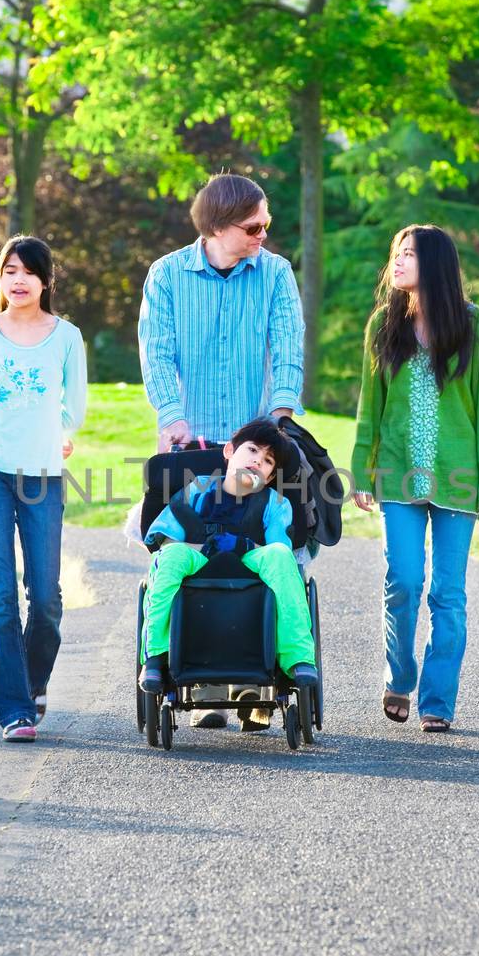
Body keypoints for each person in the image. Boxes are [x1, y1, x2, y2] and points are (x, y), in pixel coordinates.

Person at [139, 172, 306, 728]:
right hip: (194, 436)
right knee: (195, 547)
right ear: (216, 226)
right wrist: (172, 417)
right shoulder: (166, 276)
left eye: (267, 224)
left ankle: (257, 681)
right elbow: (157, 351)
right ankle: (203, 672)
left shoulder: (276, 273)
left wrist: (281, 413)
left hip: (259, 437)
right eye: (253, 226)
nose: (264, 234)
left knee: (276, 543)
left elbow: (286, 344)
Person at [348, 225, 479, 734]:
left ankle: (437, 699)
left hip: (459, 476)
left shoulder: (472, 323)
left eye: (409, 255)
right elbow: (369, 405)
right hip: (397, 474)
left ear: (436, 264)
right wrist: (361, 469)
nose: (396, 263)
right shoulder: (384, 324)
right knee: (403, 580)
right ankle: (399, 676)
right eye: (396, 254)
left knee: (448, 593)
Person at [0, 235, 87, 743]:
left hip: (44, 477)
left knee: (47, 597)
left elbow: (72, 409)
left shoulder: (67, 337)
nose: (18, 279)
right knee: (0, 594)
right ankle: (14, 710)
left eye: (28, 271)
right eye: (9, 270)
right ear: (0, 279)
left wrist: (55, 434)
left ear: (46, 280)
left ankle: (32, 684)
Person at [138, 419, 319, 722]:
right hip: (198, 561)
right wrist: (202, 547)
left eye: (267, 461)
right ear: (229, 451)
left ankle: (297, 657)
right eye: (252, 451)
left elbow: (280, 551)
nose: (256, 462)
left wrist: (243, 547)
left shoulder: (275, 503)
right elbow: (165, 537)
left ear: (271, 475)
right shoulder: (196, 490)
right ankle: (156, 656)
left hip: (251, 565)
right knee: (169, 557)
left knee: (279, 557)